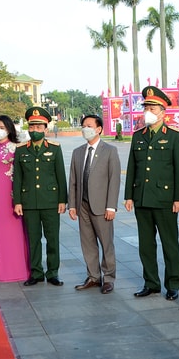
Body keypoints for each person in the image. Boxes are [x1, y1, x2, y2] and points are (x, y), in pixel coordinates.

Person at [124, 86, 179, 301]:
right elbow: (132, 167)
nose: (148, 111)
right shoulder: (138, 136)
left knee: (170, 244)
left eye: (152, 107)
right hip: (142, 198)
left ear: (163, 112)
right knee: (146, 245)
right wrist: (129, 195)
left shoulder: (173, 136)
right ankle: (151, 283)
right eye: (146, 107)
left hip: (165, 200)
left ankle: (173, 283)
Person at [13, 106, 67, 286]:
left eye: (38, 127)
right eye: (32, 127)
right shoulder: (21, 150)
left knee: (52, 239)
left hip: (50, 202)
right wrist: (17, 202)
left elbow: (60, 176)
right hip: (29, 202)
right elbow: (18, 178)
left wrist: (62, 200)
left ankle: (53, 272)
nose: (34, 130)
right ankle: (36, 272)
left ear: (45, 128)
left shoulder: (55, 148)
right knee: (33, 239)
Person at [68, 114, 120, 294]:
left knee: (106, 243)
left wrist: (111, 206)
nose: (85, 129)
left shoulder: (110, 150)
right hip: (82, 205)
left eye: (89, 126)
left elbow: (114, 180)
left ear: (99, 129)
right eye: (83, 125)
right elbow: (73, 180)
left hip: (101, 206)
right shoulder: (78, 152)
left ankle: (108, 278)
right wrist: (72, 204)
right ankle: (93, 276)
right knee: (87, 242)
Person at [0, 115, 29, 282]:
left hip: (12, 193)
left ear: (9, 129)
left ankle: (19, 268)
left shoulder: (17, 148)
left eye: (2, 127)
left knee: (15, 230)